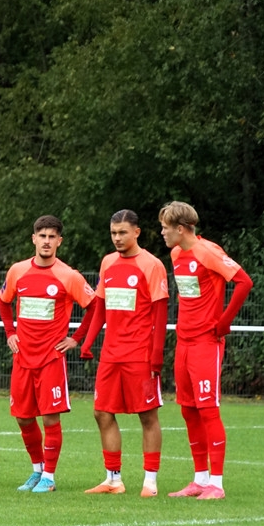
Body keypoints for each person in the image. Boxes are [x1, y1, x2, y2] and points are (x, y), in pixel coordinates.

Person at [159, 201, 252, 500]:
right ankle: (199, 480)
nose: (162, 233)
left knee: (208, 410)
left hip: (206, 343)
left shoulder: (207, 251)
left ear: (181, 229)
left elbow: (244, 281)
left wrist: (224, 322)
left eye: (165, 228)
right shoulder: (176, 254)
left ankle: (217, 484)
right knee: (188, 410)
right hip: (184, 341)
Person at [0, 215, 97, 493]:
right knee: (23, 417)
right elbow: (4, 302)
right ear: (33, 239)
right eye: (42, 236)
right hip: (22, 357)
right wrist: (10, 332)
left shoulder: (69, 276)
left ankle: (49, 477)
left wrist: (76, 339)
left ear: (59, 241)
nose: (46, 241)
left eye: (52, 237)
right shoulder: (17, 271)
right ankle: (37, 470)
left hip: (51, 358)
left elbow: (94, 305)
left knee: (50, 418)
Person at [75, 210, 168, 497]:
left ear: (137, 232)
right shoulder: (108, 262)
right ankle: (113, 479)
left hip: (140, 354)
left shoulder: (152, 265)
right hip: (111, 354)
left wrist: (157, 354)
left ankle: (150, 481)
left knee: (147, 416)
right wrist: (88, 341)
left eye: (122, 232)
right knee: (102, 413)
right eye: (113, 233)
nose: (117, 238)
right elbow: (101, 306)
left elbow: (160, 312)